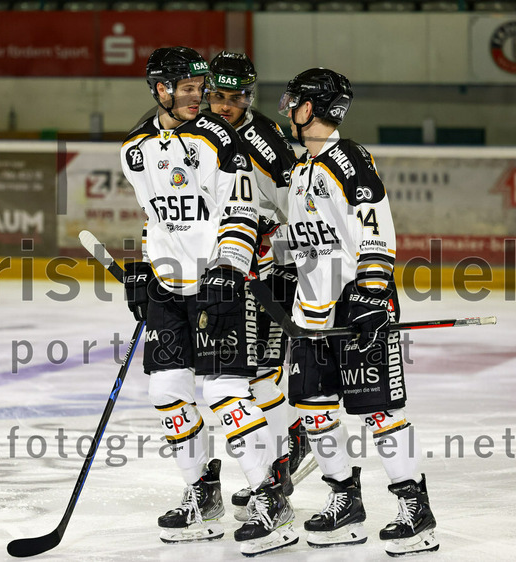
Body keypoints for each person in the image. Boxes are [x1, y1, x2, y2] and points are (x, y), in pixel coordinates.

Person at [119, 46, 298, 556]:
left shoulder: (220, 139)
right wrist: (145, 269)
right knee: (166, 390)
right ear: (161, 90)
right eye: (189, 89)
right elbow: (157, 217)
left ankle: (270, 498)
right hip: (168, 287)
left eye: (202, 88)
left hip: (218, 282)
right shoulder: (134, 148)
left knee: (224, 391)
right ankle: (202, 493)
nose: (199, 97)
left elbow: (240, 210)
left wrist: (230, 268)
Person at [278, 67, 439, 557]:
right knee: (313, 409)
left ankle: (415, 510)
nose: (289, 109)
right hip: (313, 310)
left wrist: (371, 293)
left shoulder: (347, 158)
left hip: (357, 303)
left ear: (311, 108)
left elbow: (375, 227)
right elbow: (307, 242)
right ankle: (345, 502)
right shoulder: (301, 169)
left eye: (295, 101)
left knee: (379, 410)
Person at [206, 50, 316, 520]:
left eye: (236, 98)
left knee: (258, 375)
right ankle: (285, 452)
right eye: (218, 96)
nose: (226, 105)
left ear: (249, 97)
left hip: (270, 271)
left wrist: (287, 253)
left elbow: (299, 208)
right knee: (246, 376)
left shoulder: (267, 140)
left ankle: (285, 455)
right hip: (224, 272)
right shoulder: (199, 132)